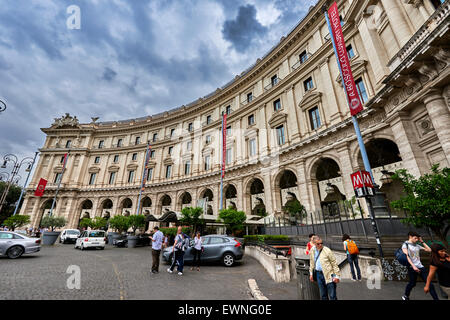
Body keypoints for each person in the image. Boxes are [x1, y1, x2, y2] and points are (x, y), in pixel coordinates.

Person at [402, 231, 438, 300]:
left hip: (421, 267)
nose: (417, 240)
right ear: (410, 236)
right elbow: (406, 256)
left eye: (417, 239)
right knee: (412, 284)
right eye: (415, 238)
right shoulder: (405, 245)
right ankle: (406, 295)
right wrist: (413, 266)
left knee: (430, 284)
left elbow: (429, 250)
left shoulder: (417, 245)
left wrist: (422, 241)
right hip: (412, 268)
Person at [309, 236, 340, 300]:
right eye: (318, 244)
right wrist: (311, 273)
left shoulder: (327, 250)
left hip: (329, 274)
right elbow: (312, 262)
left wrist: (336, 276)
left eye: (321, 243)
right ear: (314, 244)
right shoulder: (312, 250)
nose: (320, 245)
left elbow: (334, 263)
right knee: (323, 295)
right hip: (318, 274)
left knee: (332, 296)